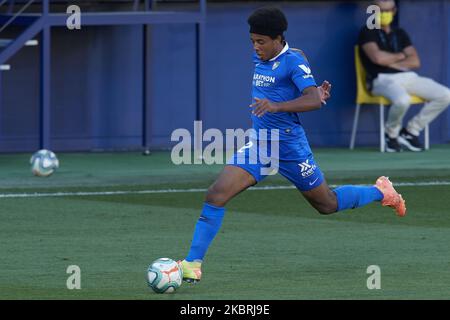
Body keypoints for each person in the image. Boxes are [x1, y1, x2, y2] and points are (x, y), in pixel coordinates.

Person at [178, 6, 406, 283]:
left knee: (326, 204)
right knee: (216, 194)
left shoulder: (292, 61)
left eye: (261, 42)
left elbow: (311, 100)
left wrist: (280, 104)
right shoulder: (269, 56)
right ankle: (192, 263)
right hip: (261, 145)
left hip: (289, 147)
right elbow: (306, 87)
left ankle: (381, 192)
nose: (255, 47)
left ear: (278, 38)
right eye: (252, 41)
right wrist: (306, 94)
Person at [358, 0, 450, 152]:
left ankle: (410, 131)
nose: (384, 14)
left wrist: (391, 60)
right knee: (402, 100)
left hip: (407, 76)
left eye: (387, 10)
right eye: (380, 10)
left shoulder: (399, 33)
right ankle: (391, 135)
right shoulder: (367, 31)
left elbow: (415, 61)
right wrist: (402, 56)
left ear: (394, 11)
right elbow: (378, 59)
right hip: (381, 80)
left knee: (445, 95)